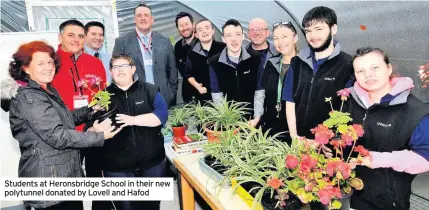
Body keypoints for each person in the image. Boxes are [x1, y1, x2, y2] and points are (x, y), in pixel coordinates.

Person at [6, 41, 120, 210]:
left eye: (50, 62)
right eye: (40, 63)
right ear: (25, 68)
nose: (48, 67)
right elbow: (57, 136)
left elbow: (64, 119)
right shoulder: (29, 97)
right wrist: (100, 135)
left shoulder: (47, 90)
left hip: (64, 175)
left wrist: (90, 110)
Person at [348, 47, 429, 210]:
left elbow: (425, 158)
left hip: (389, 201)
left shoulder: (415, 112)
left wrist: (378, 159)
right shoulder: (350, 102)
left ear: (389, 68)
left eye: (375, 67)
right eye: (360, 71)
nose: (368, 75)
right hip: (355, 193)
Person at [96, 54, 168, 210]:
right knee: (125, 207)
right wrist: (95, 128)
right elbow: (91, 125)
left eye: (124, 66)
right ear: (110, 71)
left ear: (133, 69)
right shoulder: (102, 97)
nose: (120, 70)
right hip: (117, 166)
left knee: (152, 206)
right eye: (116, 67)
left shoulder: (149, 90)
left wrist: (132, 120)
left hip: (152, 163)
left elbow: (161, 116)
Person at [283, 6, 354, 142]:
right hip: (297, 140)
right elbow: (289, 100)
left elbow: (348, 111)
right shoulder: (297, 62)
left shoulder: (348, 65)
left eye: (319, 29)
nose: (313, 36)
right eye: (308, 31)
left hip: (328, 145)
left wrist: (323, 141)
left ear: (333, 29)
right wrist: (294, 136)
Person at [113, 3, 178, 106]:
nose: (143, 18)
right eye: (139, 15)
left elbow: (172, 70)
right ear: (134, 19)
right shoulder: (122, 42)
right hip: (134, 99)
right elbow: (116, 71)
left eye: (146, 15)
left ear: (152, 19)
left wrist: (171, 94)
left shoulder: (165, 41)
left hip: (162, 97)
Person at [52, 19, 107, 128]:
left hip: (93, 128)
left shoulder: (96, 63)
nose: (76, 40)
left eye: (81, 36)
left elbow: (103, 94)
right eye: (71, 35)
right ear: (60, 37)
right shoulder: (50, 63)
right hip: (62, 129)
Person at [208, 19, 264, 127]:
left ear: (243, 36)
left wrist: (256, 118)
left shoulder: (256, 59)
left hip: (252, 120)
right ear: (224, 39)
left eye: (237, 34)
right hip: (229, 121)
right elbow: (216, 94)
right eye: (229, 35)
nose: (234, 39)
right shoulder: (214, 62)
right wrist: (228, 119)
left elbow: (259, 90)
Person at [262, 21, 298, 142]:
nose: (280, 42)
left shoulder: (304, 66)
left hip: (296, 129)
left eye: (284, 36)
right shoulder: (271, 63)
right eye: (276, 38)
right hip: (272, 127)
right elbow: (264, 94)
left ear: (295, 38)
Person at [185, 19, 225, 103]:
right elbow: (189, 75)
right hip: (204, 98)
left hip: (224, 96)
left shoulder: (224, 48)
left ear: (213, 31)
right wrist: (197, 86)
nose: (204, 31)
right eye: (200, 30)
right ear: (196, 35)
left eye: (207, 28)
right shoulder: (191, 53)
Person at [174, 12, 198, 103]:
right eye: (181, 25)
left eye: (187, 24)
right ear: (178, 28)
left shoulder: (202, 42)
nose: (184, 28)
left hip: (205, 90)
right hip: (187, 92)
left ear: (193, 25)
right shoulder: (178, 46)